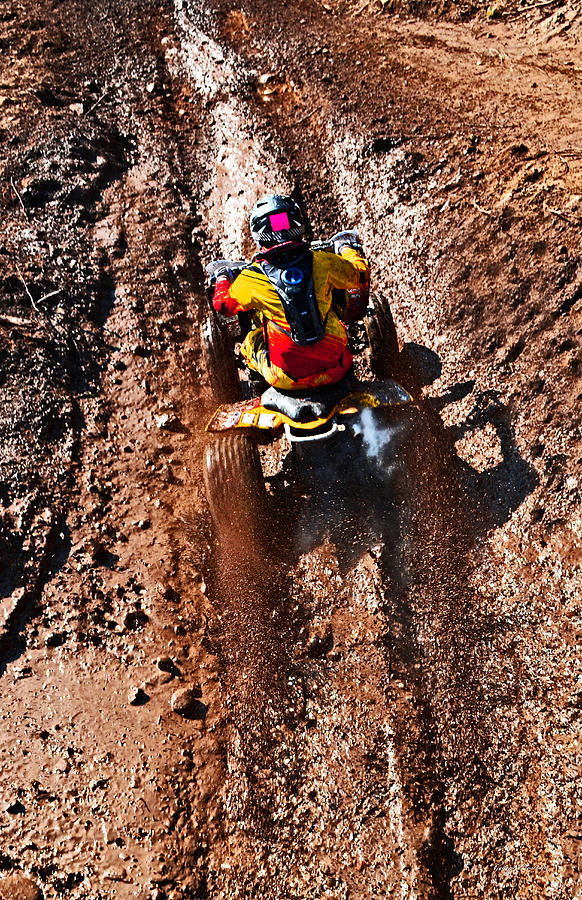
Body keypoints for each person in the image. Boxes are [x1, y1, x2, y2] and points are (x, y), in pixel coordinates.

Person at [211, 194, 370, 391]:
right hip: (337, 367)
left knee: (251, 340)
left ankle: (257, 388)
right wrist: (346, 248)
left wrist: (222, 277)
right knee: (333, 309)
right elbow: (360, 275)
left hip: (286, 380)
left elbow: (223, 305)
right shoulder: (322, 261)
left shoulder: (250, 279)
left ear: (258, 233)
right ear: (297, 224)